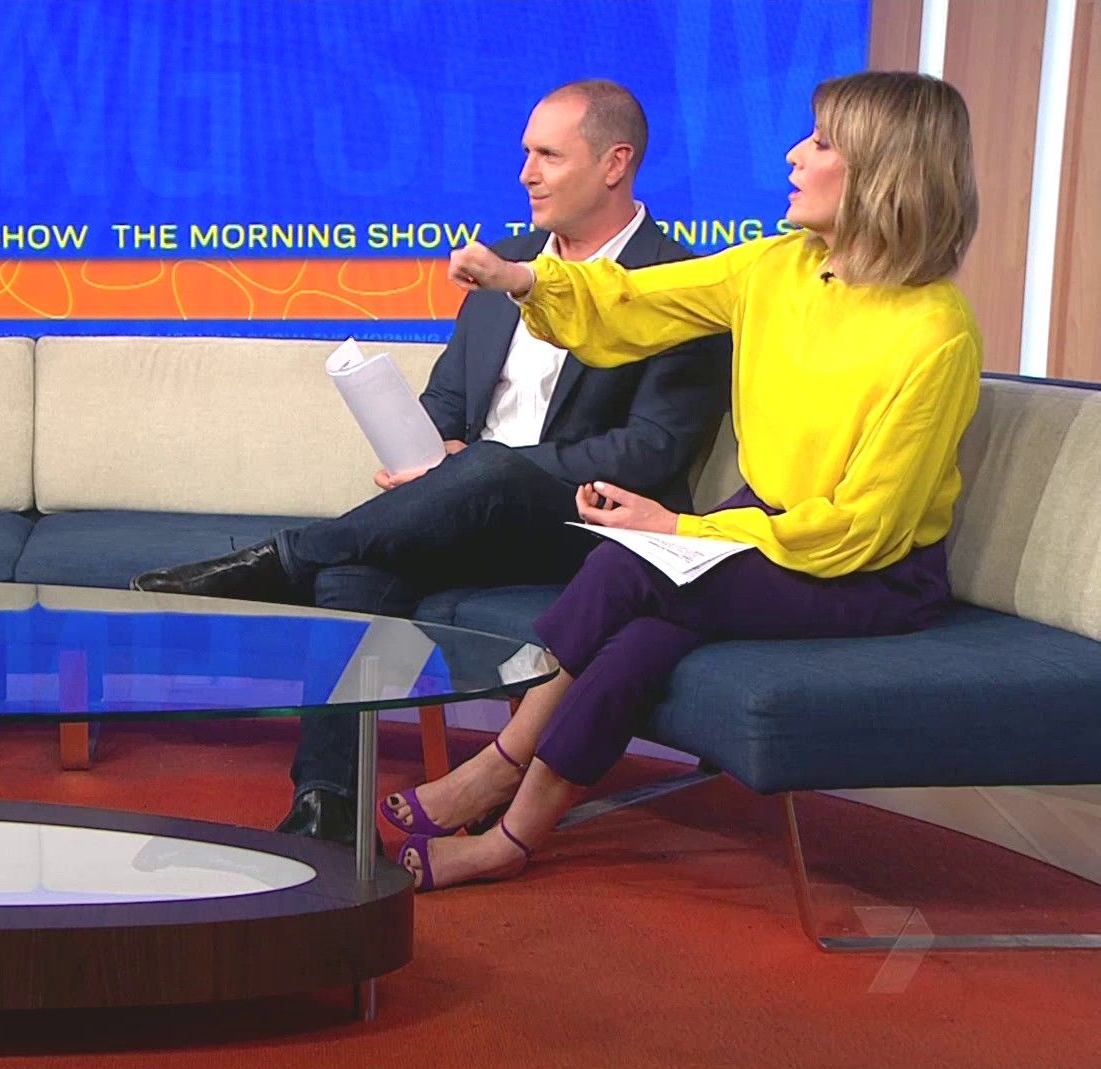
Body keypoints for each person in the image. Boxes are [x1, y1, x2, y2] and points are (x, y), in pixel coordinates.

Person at [390, 70, 982, 890]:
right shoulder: (776, 267)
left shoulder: (937, 336)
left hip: (865, 570)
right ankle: (512, 837)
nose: (793, 156)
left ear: (884, 172)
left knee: (627, 565)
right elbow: (637, 302)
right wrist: (524, 280)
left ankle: (499, 764)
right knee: (642, 637)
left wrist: (682, 528)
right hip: (764, 531)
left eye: (820, 143)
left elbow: (864, 528)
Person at [133, 80, 730, 844]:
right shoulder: (504, 261)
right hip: (469, 506)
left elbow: (651, 449)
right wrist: (427, 453)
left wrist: (480, 469)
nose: (526, 173)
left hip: (589, 529)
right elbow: (449, 398)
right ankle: (325, 807)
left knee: (492, 468)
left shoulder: (679, 285)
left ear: (615, 164)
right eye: (526, 153)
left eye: (548, 155)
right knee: (353, 576)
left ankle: (279, 560)